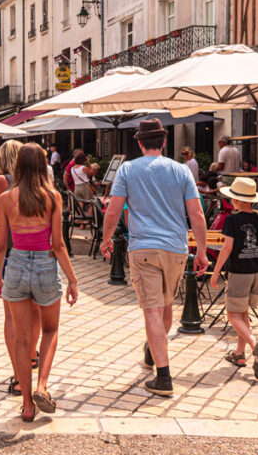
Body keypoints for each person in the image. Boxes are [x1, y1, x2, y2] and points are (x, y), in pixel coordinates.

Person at [101, 118, 208, 397]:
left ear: (139, 142)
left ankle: (163, 376)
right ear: (163, 142)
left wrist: (106, 238)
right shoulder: (181, 170)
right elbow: (196, 214)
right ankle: (153, 350)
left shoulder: (127, 169)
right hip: (176, 248)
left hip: (144, 247)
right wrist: (203, 251)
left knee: (152, 310)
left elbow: (113, 211)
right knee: (166, 305)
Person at [0, 144, 78, 422]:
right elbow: (58, 244)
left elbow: (1, 246)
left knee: (21, 339)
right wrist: (73, 279)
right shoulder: (52, 197)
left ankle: (27, 405)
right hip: (44, 264)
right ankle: (42, 386)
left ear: (17, 166)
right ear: (43, 166)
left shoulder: (6, 199)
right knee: (50, 329)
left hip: (15, 265)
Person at [0, 140, 41, 399]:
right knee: (36, 309)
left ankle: (19, 374)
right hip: (37, 249)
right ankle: (31, 355)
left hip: (11, 249)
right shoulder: (38, 181)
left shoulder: (2, 180)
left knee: (12, 317)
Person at [209, 177, 258, 379]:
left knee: (232, 315)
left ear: (235, 200)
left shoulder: (232, 220)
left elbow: (227, 248)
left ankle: (255, 346)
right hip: (257, 272)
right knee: (243, 312)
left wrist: (215, 272)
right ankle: (240, 354)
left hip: (239, 272)